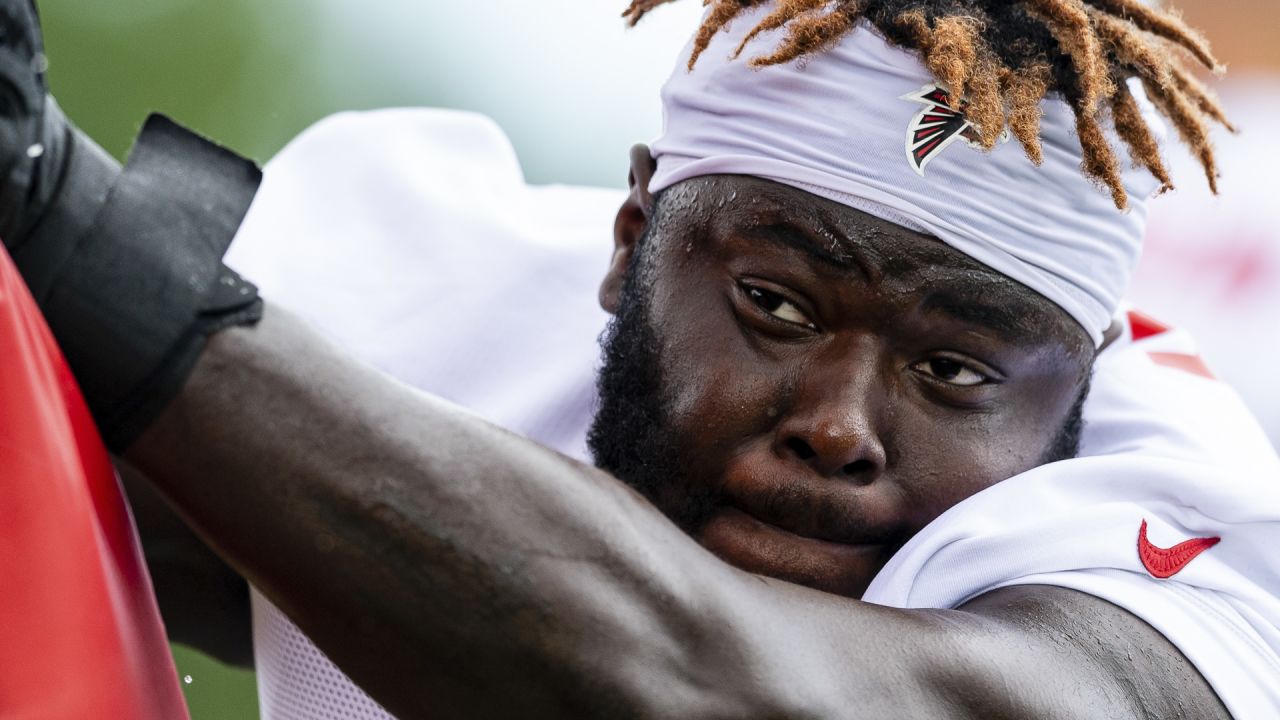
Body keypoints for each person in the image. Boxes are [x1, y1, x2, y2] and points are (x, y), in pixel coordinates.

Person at [4, 1, 1279, 718]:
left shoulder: (1182, 581)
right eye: (775, 303)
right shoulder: (425, 296)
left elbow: (710, 696)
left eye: (951, 374)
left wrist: (64, 220)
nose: (836, 426)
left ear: (1083, 394)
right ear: (630, 246)